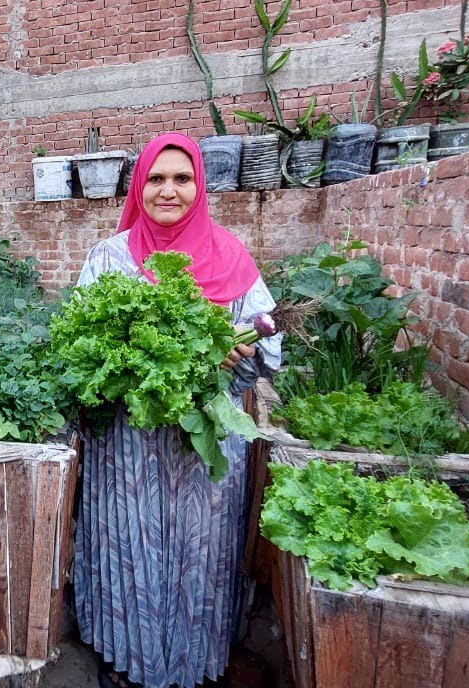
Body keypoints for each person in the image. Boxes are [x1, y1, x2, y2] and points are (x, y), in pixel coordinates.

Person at [71, 132, 282, 688]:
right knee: (128, 544)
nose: (169, 190)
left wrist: (243, 349)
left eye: (182, 179)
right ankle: (124, 656)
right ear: (139, 187)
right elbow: (76, 346)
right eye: (156, 179)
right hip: (129, 447)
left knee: (198, 554)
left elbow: (269, 342)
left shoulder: (232, 256)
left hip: (203, 445)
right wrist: (132, 368)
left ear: (200, 186)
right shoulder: (109, 258)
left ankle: (192, 660)